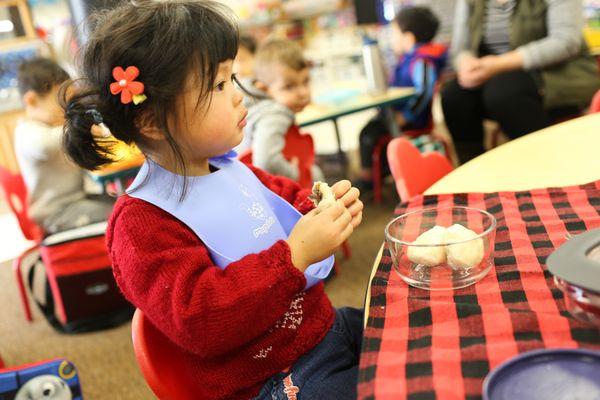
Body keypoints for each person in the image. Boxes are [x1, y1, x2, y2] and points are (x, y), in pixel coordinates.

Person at [61, 2, 364, 399]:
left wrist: (325, 208)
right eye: (218, 86)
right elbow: (200, 320)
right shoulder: (142, 223)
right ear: (150, 120)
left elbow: (288, 204)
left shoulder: (230, 167)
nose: (239, 98)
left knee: (414, 319)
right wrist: (294, 255)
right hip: (275, 380)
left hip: (323, 329)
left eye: (232, 78)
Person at [442, 0, 600, 163]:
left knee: (505, 92)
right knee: (454, 96)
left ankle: (544, 164)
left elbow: (565, 42)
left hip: (556, 74)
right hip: (492, 75)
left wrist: (499, 64)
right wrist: (466, 64)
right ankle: (472, 171)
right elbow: (460, 49)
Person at [13, 57, 113, 235]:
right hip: (56, 214)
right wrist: (84, 128)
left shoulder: (47, 127)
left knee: (124, 203)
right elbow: (44, 144)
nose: (66, 108)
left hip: (75, 202)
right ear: (32, 101)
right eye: (61, 100)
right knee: (122, 214)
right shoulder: (26, 131)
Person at [354, 7, 447, 193]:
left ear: (409, 38)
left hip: (410, 122)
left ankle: (370, 179)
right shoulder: (408, 58)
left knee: (368, 135)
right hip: (397, 117)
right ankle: (378, 174)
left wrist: (406, 116)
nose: (392, 39)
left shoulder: (422, 60)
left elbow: (424, 93)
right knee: (369, 131)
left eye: (395, 34)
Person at [236, 38, 324, 188]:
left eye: (305, 81)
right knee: (315, 174)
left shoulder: (254, 106)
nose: (303, 93)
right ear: (264, 88)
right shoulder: (275, 114)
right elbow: (266, 161)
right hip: (267, 188)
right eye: (289, 86)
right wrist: (294, 173)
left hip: (245, 183)